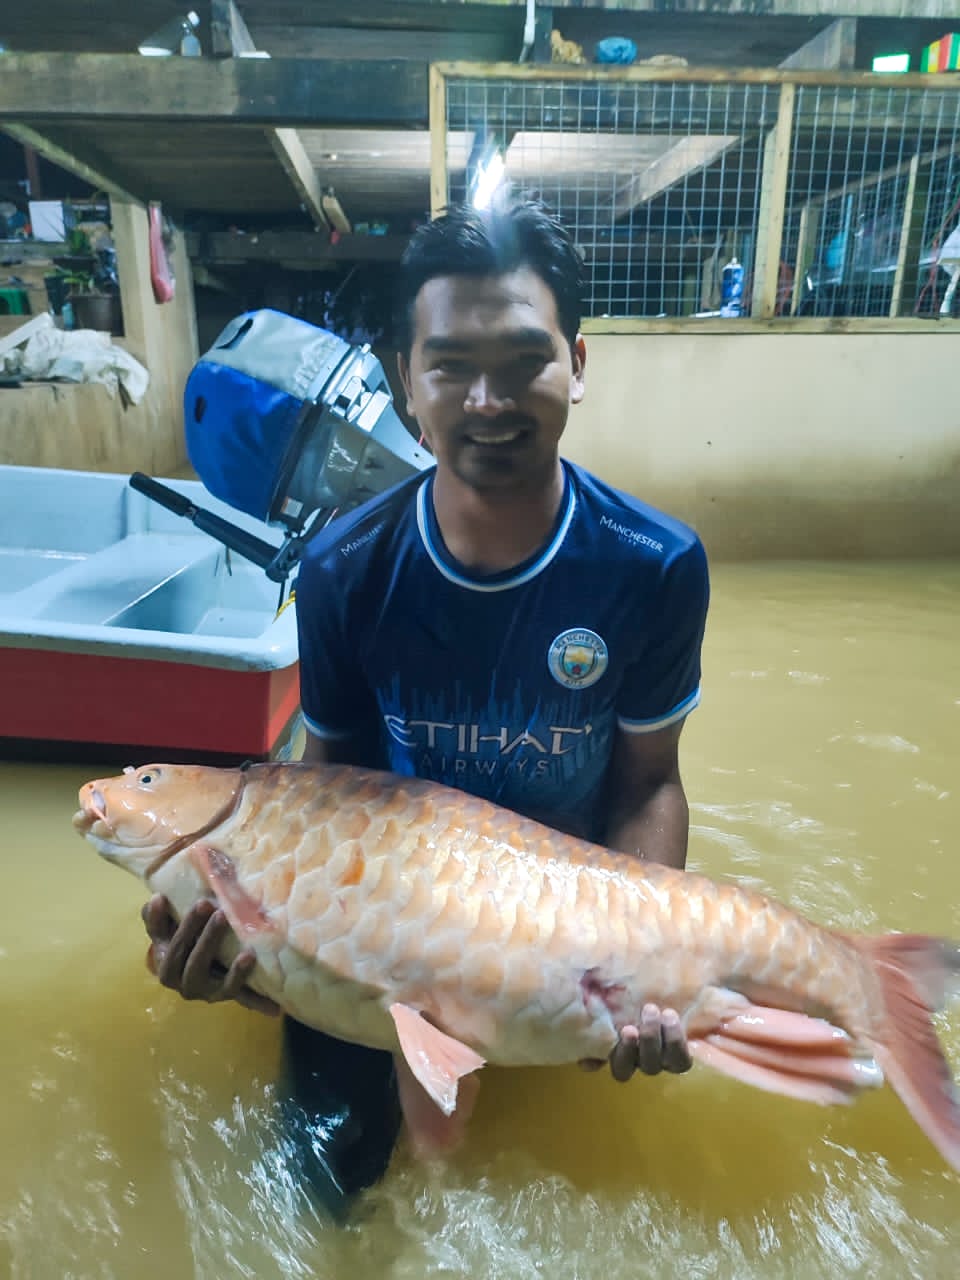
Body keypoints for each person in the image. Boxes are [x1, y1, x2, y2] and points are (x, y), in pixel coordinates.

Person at [143, 198, 710, 1215]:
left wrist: (639, 964)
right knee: (320, 1195)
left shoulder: (653, 565)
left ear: (577, 362)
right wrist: (262, 953)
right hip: (386, 921)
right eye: (450, 365)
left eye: (524, 358)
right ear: (408, 384)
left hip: (557, 919)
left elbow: (650, 782)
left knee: (588, 1203)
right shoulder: (343, 569)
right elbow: (328, 794)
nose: (487, 399)